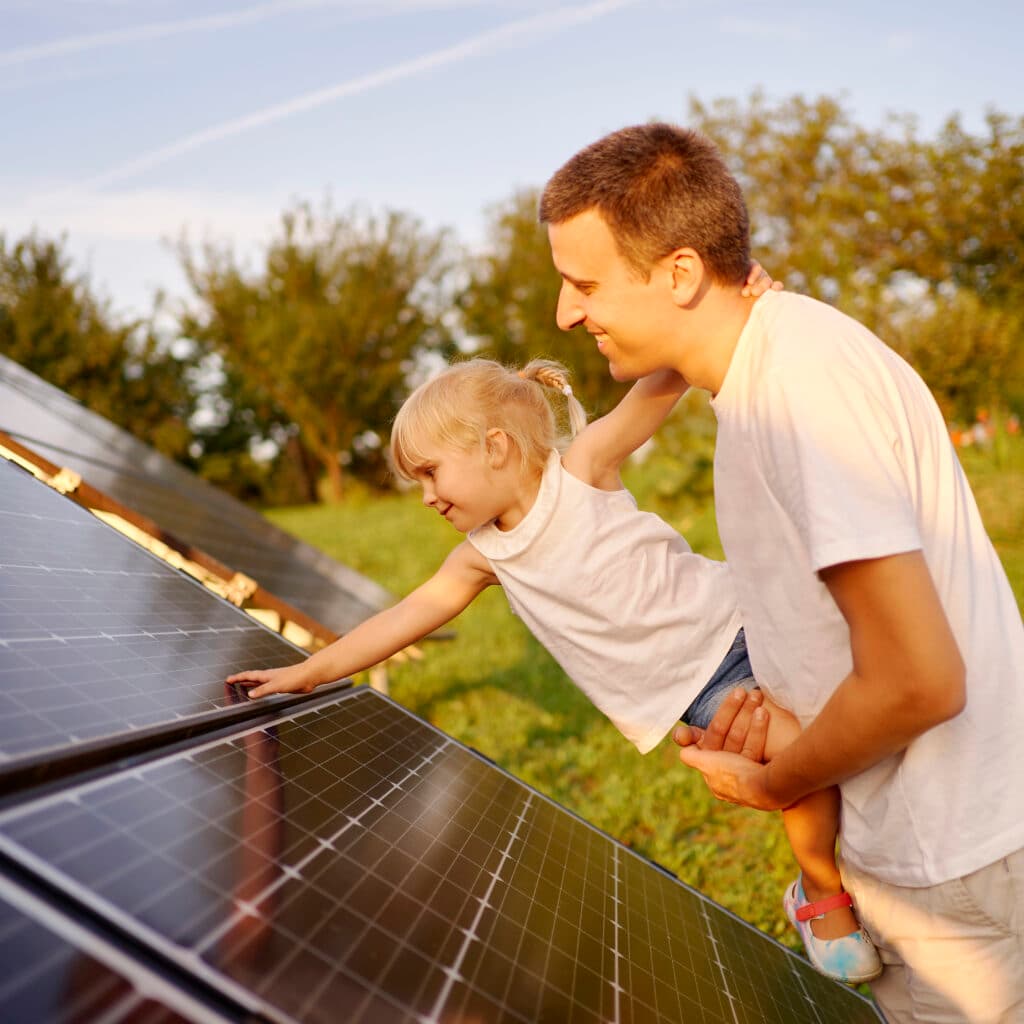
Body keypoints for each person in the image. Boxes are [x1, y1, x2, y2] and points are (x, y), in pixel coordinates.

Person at [539, 121, 1024, 1023]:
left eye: (585, 283)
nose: (568, 313)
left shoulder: (797, 391)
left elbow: (920, 681)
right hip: (927, 846)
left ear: (679, 274)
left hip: (960, 865)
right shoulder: (767, 374)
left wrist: (775, 781)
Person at [227, 347, 880, 985]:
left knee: (861, 705)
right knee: (806, 760)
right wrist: (307, 671)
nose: (425, 496)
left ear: (496, 447)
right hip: (706, 684)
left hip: (744, 614)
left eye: (430, 473)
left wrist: (725, 320)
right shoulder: (483, 557)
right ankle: (819, 891)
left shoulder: (582, 470)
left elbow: (654, 391)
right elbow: (406, 616)